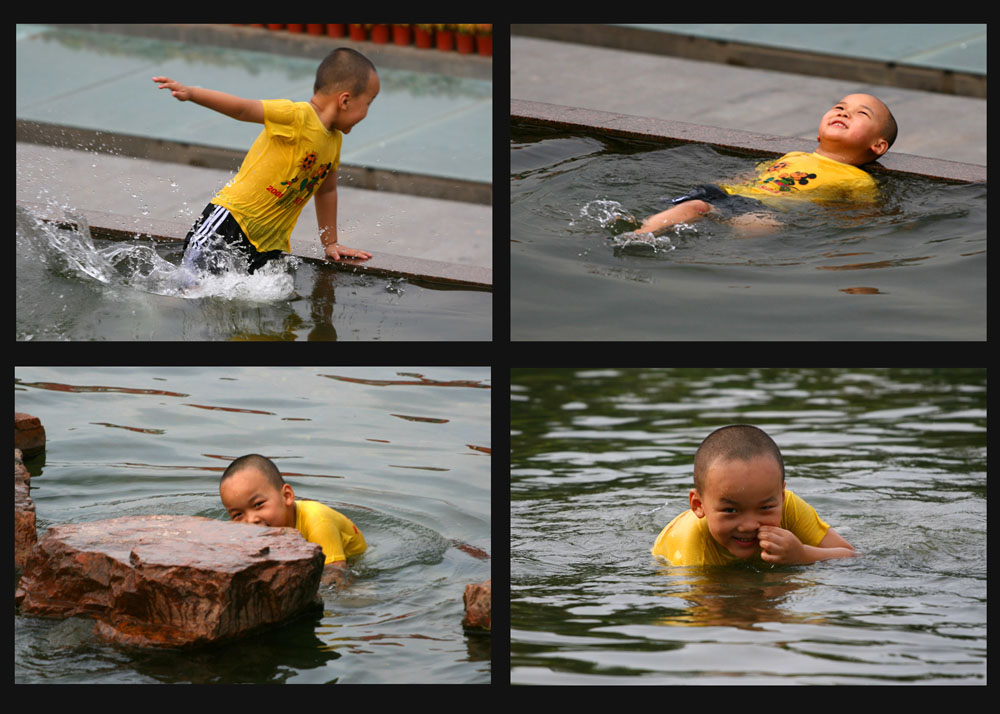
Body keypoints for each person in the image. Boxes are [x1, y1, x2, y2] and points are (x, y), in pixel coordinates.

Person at [152, 47, 378, 275]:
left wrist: (330, 243)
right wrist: (192, 93)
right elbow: (243, 109)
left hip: (269, 244)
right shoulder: (296, 116)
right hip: (229, 223)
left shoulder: (334, 140)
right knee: (189, 288)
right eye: (368, 103)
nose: (368, 112)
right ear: (345, 100)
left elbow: (326, 191)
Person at [633, 94, 898, 236]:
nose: (843, 112)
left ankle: (721, 254)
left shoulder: (858, 179)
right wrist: (728, 188)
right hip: (731, 196)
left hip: (765, 209)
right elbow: (752, 176)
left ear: (878, 146)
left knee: (765, 228)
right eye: (840, 107)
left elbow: (864, 216)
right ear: (819, 134)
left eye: (861, 113)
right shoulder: (793, 156)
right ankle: (641, 232)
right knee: (695, 206)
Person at [651, 424, 856, 566]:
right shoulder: (692, 549)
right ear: (698, 505)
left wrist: (803, 555)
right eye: (730, 510)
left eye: (765, 508)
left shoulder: (788, 506)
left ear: (781, 497)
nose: (749, 525)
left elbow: (852, 557)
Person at [220, 453, 366, 587]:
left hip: (358, 566)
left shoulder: (319, 523)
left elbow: (336, 579)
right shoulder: (265, 529)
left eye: (258, 504)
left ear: (287, 496)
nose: (250, 521)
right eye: (238, 515)